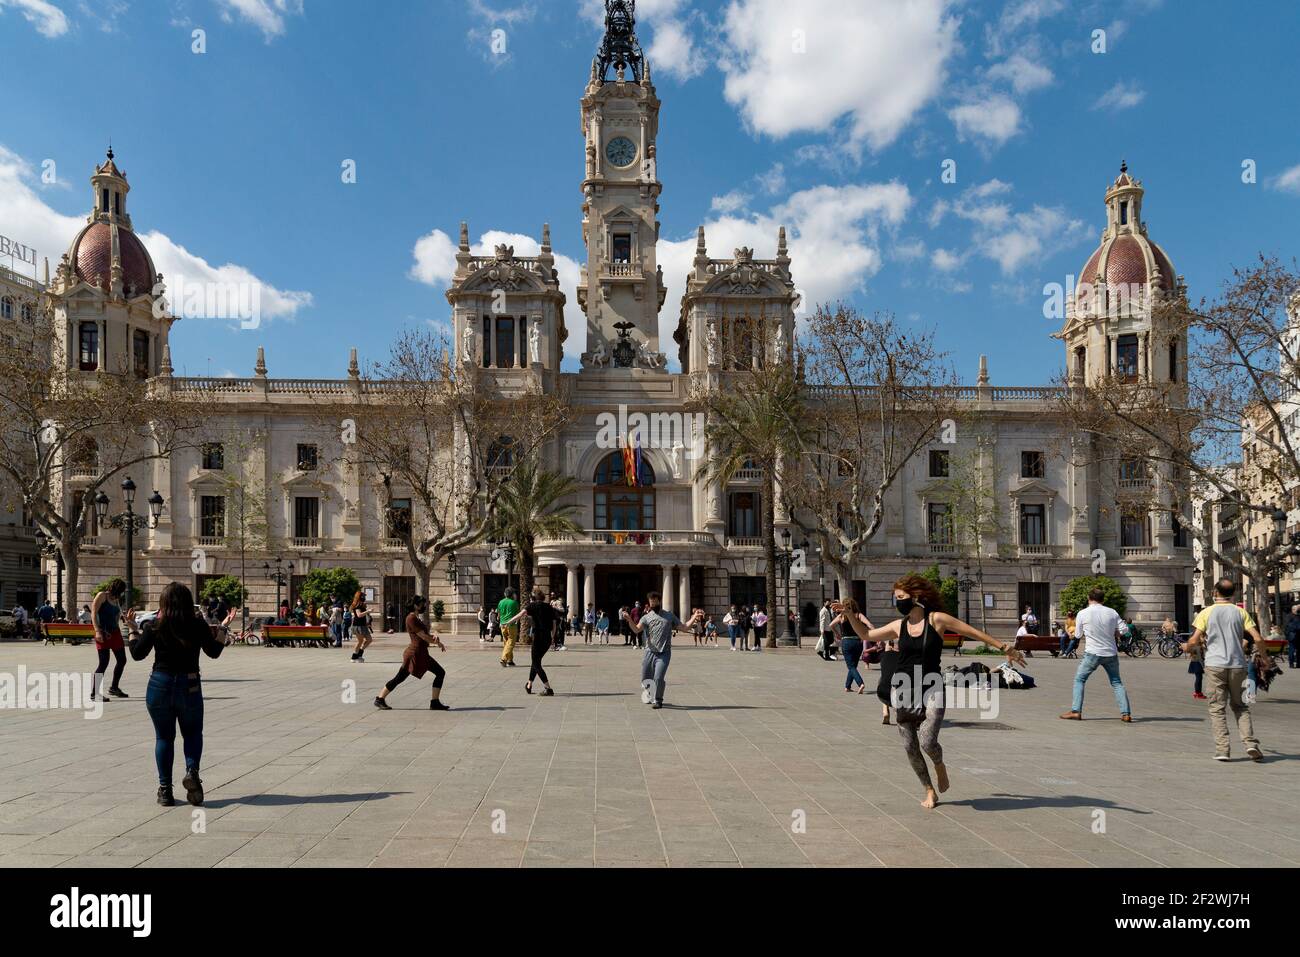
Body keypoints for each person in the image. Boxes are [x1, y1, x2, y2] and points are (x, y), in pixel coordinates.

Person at [836, 575, 1024, 809]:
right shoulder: (899, 625)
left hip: (932, 686)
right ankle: (929, 790)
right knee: (909, 746)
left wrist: (1005, 647)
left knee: (927, 740)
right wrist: (850, 615)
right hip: (903, 688)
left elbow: (973, 632)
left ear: (916, 597)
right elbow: (866, 635)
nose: (898, 601)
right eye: (896, 598)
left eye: (901, 597)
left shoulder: (937, 620)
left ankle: (939, 764)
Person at [125, 582, 230, 806]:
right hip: (189, 684)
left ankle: (165, 791)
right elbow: (214, 652)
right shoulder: (197, 624)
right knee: (192, 734)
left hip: (159, 684)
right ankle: (192, 772)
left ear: (163, 603)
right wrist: (222, 628)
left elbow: (136, 654)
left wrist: (133, 628)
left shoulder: (154, 625)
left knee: (164, 738)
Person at [1182, 578, 1268, 761]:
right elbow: (1258, 638)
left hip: (1215, 665)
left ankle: (1223, 749)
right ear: (1233, 594)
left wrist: (1187, 647)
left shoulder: (1206, 612)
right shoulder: (1240, 612)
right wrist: (1265, 659)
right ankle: (1250, 743)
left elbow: (1194, 639)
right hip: (1238, 664)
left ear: (1215, 592)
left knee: (1217, 708)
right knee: (1241, 706)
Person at [1059, 587, 1132, 722]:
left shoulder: (1082, 613)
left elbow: (1078, 635)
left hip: (1092, 653)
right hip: (1110, 652)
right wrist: (1115, 632)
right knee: (1116, 682)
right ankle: (1126, 713)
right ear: (1103, 599)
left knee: (1080, 679)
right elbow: (1124, 629)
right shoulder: (1112, 612)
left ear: (1089, 598)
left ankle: (1076, 711)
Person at [626, 592, 704, 709]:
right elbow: (637, 630)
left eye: (655, 601)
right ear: (649, 603)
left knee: (658, 677)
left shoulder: (669, 616)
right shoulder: (646, 617)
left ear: (659, 601)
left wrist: (694, 617)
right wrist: (629, 620)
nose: (653, 603)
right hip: (649, 651)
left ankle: (658, 700)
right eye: (651, 602)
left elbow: (684, 627)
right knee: (645, 678)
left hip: (664, 653)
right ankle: (649, 692)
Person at [374, 596, 449, 710]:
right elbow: (422, 636)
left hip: (421, 653)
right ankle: (380, 699)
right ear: (415, 605)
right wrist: (437, 642)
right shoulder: (411, 618)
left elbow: (423, 634)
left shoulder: (416, 618)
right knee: (399, 678)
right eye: (422, 604)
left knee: (439, 673)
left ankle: (435, 702)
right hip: (415, 654)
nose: (424, 606)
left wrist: (433, 637)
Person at [503, 589, 559, 696]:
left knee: (536, 663)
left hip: (538, 636)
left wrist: (508, 622)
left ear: (533, 598)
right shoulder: (549, 607)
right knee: (536, 661)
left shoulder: (532, 606)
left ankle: (548, 688)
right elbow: (554, 623)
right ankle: (529, 684)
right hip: (547, 637)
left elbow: (519, 615)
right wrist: (552, 637)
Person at [91, 578, 130, 701]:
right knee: (103, 663)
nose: (122, 593)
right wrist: (97, 631)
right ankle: (95, 693)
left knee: (122, 660)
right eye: (121, 590)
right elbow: (93, 613)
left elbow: (116, 615)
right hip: (103, 633)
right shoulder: (102, 595)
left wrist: (124, 618)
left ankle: (114, 687)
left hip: (115, 633)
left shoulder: (116, 600)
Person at [832, 598, 873, 694]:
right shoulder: (858, 615)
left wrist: (837, 633)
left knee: (851, 666)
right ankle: (847, 686)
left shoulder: (842, 616)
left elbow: (831, 625)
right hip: (857, 641)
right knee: (853, 665)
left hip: (846, 641)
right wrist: (873, 635)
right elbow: (869, 624)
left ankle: (860, 683)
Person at [497, 587, 520, 667]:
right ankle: (503, 659)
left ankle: (510, 660)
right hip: (511, 625)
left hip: (502, 625)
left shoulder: (500, 602)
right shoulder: (514, 603)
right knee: (510, 642)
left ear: (505, 594)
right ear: (512, 594)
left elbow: (498, 615)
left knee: (506, 642)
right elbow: (518, 614)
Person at [350, 592, 373, 662]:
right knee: (360, 641)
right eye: (363, 596)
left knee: (369, 640)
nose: (364, 597)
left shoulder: (362, 605)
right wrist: (368, 611)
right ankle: (354, 657)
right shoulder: (357, 605)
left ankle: (359, 654)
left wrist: (367, 622)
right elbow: (359, 615)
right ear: (359, 597)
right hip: (358, 625)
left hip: (363, 625)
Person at [1286, 604, 1300, 670]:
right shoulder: (1289, 616)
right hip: (1292, 636)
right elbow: (1289, 626)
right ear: (1293, 609)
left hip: (1298, 635)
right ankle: (1291, 663)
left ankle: (1298, 663)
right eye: (1296, 609)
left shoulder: (1298, 616)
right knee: (1292, 650)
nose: (1298, 610)